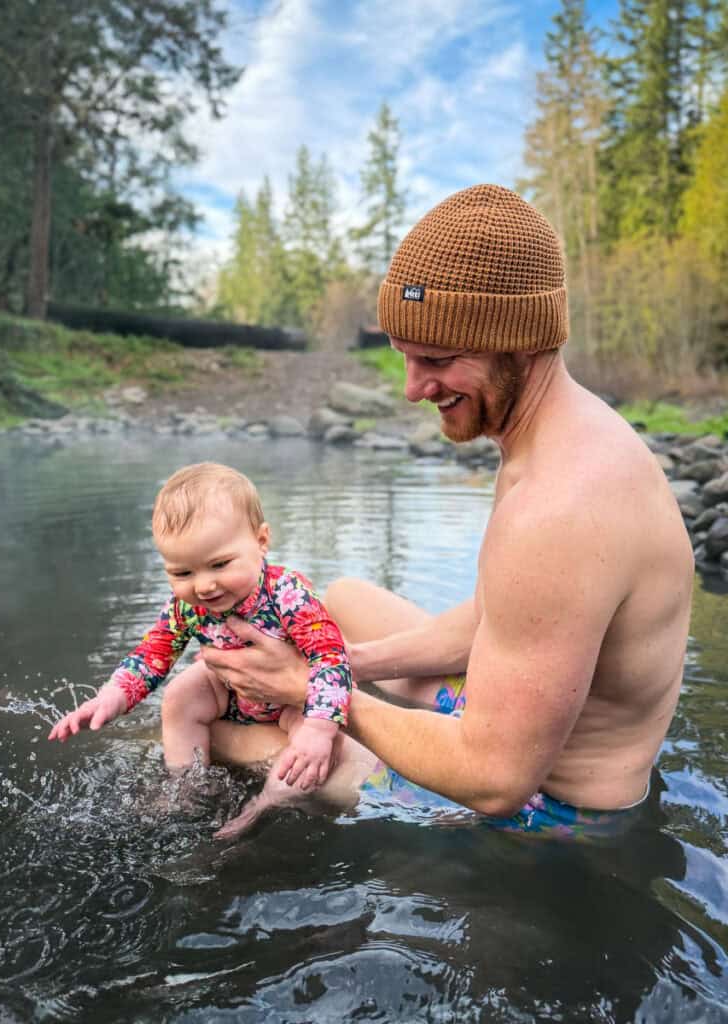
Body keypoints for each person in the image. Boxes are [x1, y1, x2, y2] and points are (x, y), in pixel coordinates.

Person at [196, 184, 695, 839]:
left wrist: (309, 689)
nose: (412, 390)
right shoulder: (562, 435)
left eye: (435, 361)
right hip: (514, 723)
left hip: (547, 809)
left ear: (518, 342)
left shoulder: (560, 508)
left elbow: (495, 779)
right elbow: (498, 614)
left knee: (225, 733)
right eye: (405, 357)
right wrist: (345, 662)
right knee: (341, 600)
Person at [48, 462, 353, 813]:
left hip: (291, 701)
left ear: (261, 541)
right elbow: (153, 653)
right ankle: (185, 785)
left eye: (220, 564)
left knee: (319, 741)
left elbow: (330, 655)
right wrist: (112, 696)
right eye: (182, 572)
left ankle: (267, 804)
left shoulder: (287, 594)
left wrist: (318, 727)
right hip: (231, 691)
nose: (204, 585)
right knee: (180, 694)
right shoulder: (185, 606)